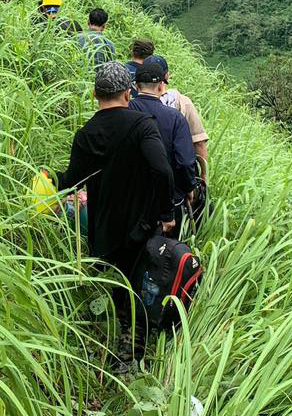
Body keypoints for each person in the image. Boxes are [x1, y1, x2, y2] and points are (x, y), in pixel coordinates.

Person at [51, 62, 174, 364]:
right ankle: (137, 344)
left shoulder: (86, 134)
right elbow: (162, 170)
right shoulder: (143, 125)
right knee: (141, 280)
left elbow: (71, 180)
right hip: (140, 222)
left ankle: (120, 336)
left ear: (95, 93)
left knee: (118, 281)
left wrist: (47, 178)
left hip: (103, 224)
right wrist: (166, 212)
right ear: (128, 93)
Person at [128, 58, 196, 238]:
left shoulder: (125, 113)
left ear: (136, 85)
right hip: (169, 201)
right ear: (160, 86)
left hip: (130, 201)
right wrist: (189, 188)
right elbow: (185, 161)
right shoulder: (175, 118)